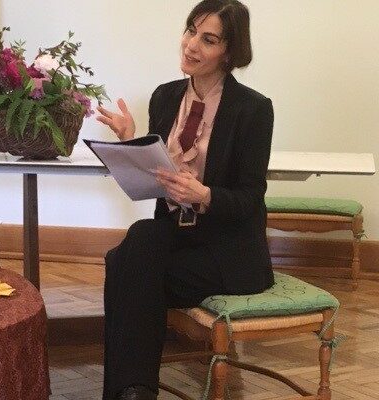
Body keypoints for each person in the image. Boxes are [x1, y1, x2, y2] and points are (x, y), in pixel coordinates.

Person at [96, 1, 274, 399]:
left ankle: (132, 391)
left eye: (208, 39)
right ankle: (135, 391)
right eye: (191, 31)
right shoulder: (165, 97)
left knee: (125, 267)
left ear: (229, 52)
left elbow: (250, 198)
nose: (191, 45)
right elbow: (159, 175)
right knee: (141, 238)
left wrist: (205, 195)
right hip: (175, 236)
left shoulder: (253, 109)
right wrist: (130, 143)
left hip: (227, 250)